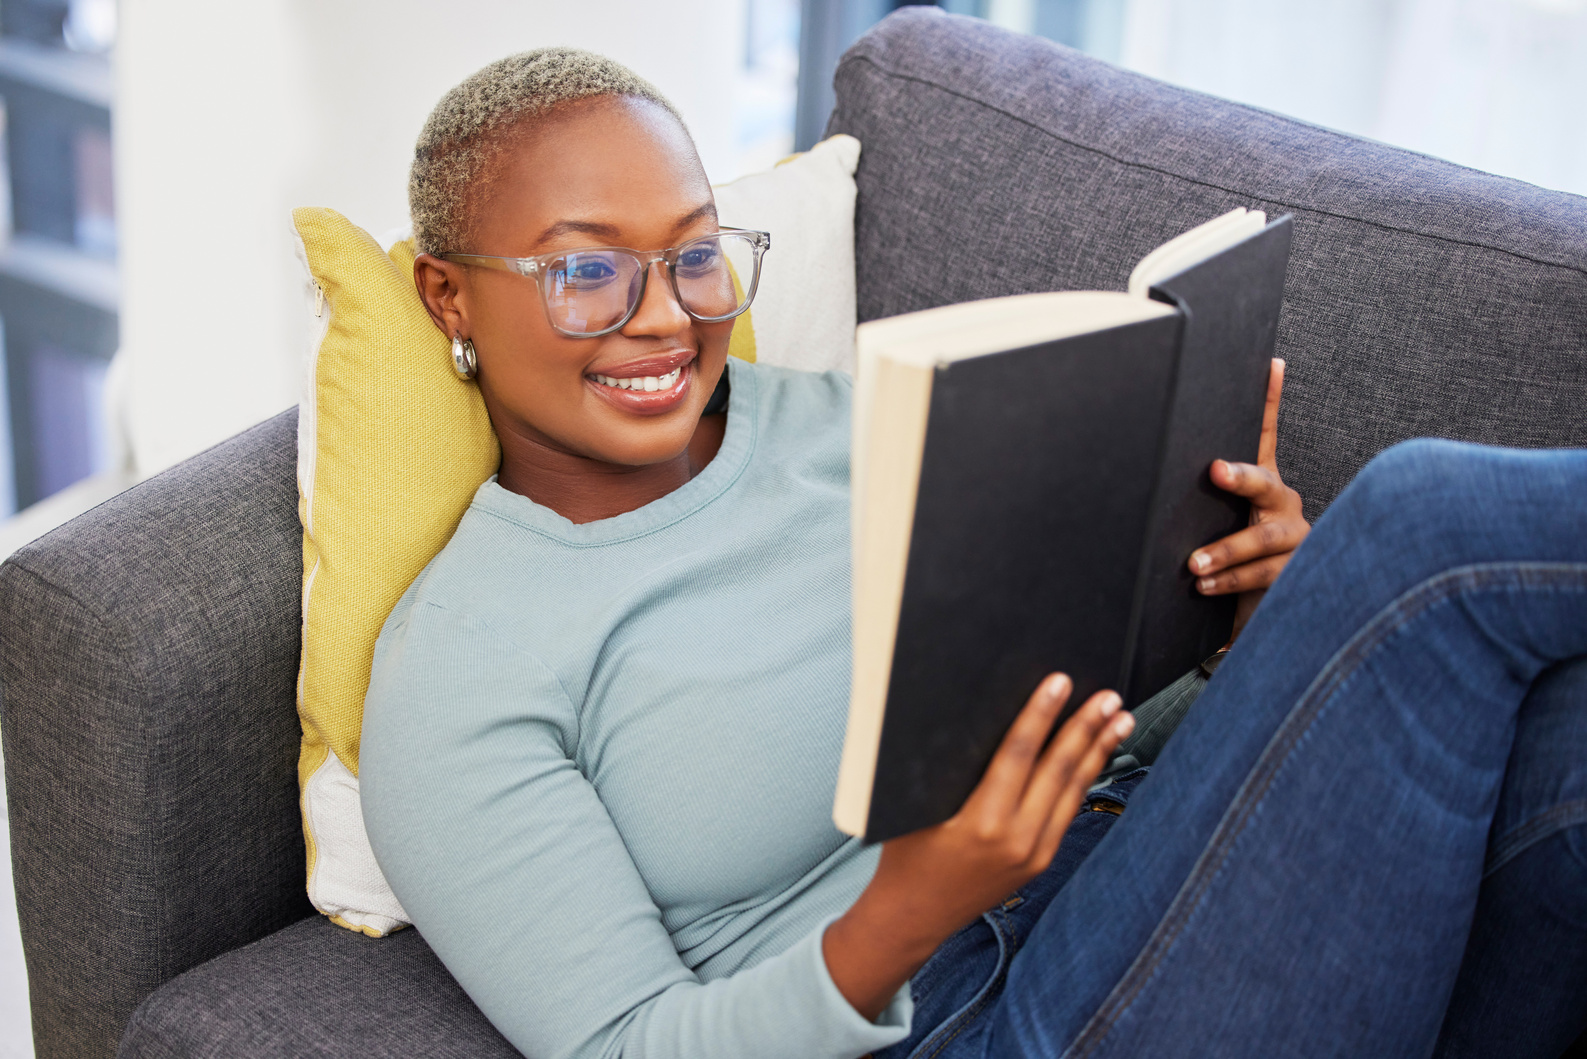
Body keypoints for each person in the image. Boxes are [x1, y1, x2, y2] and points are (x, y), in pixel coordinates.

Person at [359, 48, 1587, 1059]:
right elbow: (627, 1044)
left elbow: (1083, 696)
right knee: (1418, 526)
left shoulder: (863, 419)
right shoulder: (461, 672)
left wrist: (1249, 622)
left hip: (1144, 865)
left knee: (1561, 721)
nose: (668, 313)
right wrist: (907, 911)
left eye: (692, 252)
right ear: (446, 296)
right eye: (586, 271)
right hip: (973, 1019)